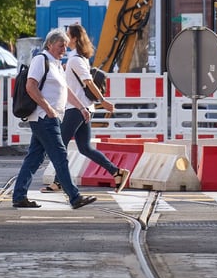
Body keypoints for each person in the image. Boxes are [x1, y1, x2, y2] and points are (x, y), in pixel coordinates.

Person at [11, 28, 97, 209]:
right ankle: (74, 197)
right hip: (44, 118)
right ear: (50, 44)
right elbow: (30, 86)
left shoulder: (56, 64)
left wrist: (81, 107)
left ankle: (19, 196)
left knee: (34, 158)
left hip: (52, 117)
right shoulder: (40, 60)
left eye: (66, 46)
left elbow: (66, 90)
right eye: (60, 45)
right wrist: (48, 108)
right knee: (60, 156)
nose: (64, 50)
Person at [42, 23, 130, 194]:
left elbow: (88, 82)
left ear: (74, 38)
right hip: (82, 109)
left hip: (77, 109)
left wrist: (103, 101)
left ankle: (58, 182)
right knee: (84, 148)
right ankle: (117, 172)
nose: (66, 39)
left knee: (60, 144)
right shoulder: (76, 59)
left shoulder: (76, 60)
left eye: (68, 35)